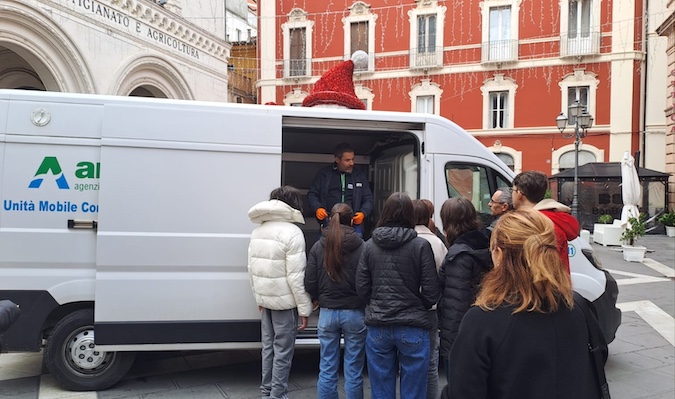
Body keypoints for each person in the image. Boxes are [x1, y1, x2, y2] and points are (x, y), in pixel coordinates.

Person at [441, 208, 608, 399]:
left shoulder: (482, 321)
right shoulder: (579, 306)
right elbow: (598, 358)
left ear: (499, 254)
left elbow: (463, 391)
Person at [355, 192, 439, 399]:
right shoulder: (420, 245)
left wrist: (375, 303)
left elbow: (361, 287)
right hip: (413, 325)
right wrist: (417, 304)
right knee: (414, 390)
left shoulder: (368, 245)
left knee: (380, 388)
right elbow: (431, 291)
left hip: (378, 324)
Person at [247, 186, 313, 399]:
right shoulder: (293, 232)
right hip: (285, 304)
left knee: (268, 348)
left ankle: (266, 392)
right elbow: (296, 276)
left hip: (266, 300)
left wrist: (259, 296)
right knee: (283, 351)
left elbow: (252, 268)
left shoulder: (258, 230)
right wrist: (304, 308)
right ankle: (277, 395)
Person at [304, 203, 367, 399]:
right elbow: (367, 281)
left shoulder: (318, 246)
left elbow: (309, 281)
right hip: (355, 312)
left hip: (328, 312)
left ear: (330, 219)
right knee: (354, 368)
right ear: (352, 221)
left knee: (327, 366)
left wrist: (317, 298)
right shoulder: (362, 246)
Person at [437, 197, 492, 385]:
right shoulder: (486, 242)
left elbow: (456, 303)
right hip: (486, 327)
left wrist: (450, 345)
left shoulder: (459, 255)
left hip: (461, 336)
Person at [511, 171, 580, 273]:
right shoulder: (554, 219)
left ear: (519, 194)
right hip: (558, 285)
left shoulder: (533, 224)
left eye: (513, 190)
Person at [412, 199, 447, 399]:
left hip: (408, 308)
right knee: (431, 362)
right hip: (431, 308)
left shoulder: (406, 240)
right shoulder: (437, 242)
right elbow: (444, 273)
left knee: (408, 361)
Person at [307, 143, 374, 236]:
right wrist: (317, 208)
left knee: (357, 249)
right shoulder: (324, 174)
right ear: (337, 159)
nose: (352, 163)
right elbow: (312, 194)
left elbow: (368, 198)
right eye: (347, 160)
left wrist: (363, 213)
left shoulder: (359, 175)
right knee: (323, 249)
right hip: (329, 222)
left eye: (352, 159)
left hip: (353, 224)